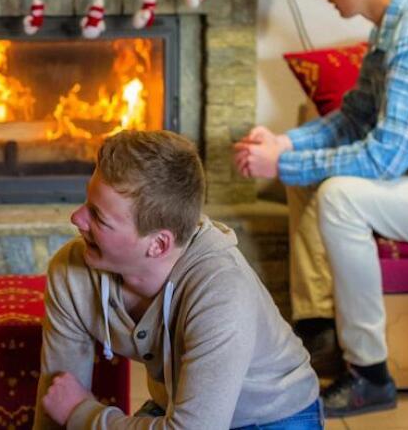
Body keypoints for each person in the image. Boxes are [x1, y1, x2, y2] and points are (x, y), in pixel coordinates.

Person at [233, 0, 408, 417]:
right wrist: (284, 144)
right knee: (307, 180)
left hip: (404, 173)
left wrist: (281, 164)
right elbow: (352, 118)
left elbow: (385, 158)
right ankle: (318, 328)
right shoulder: (388, 31)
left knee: (338, 195)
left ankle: (370, 375)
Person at [35, 130, 320, 429]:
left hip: (276, 416)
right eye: (87, 202)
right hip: (183, 412)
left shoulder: (222, 291)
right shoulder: (72, 272)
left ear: (158, 244)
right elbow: (58, 398)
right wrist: (71, 412)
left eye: (98, 216)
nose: (76, 218)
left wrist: (82, 414)